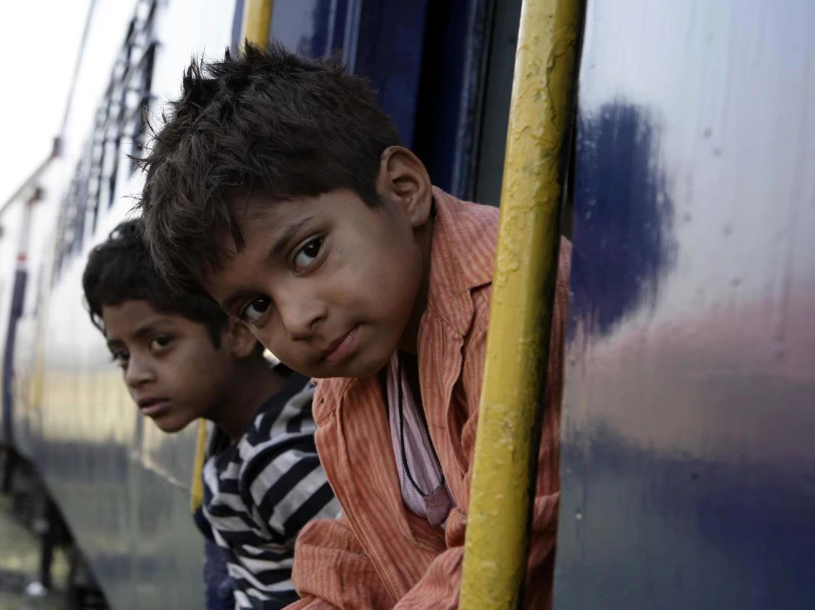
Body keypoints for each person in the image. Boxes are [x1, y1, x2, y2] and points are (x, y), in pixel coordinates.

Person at [139, 43, 570, 609]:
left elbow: (495, 567)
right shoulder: (344, 389)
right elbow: (354, 561)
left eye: (308, 252)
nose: (298, 319)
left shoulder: (513, 311)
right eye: (255, 307)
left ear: (403, 189)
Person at [81, 219, 340, 610]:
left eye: (160, 342)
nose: (135, 375)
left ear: (237, 332)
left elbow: (376, 579)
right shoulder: (252, 434)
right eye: (122, 355)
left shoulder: (277, 465)